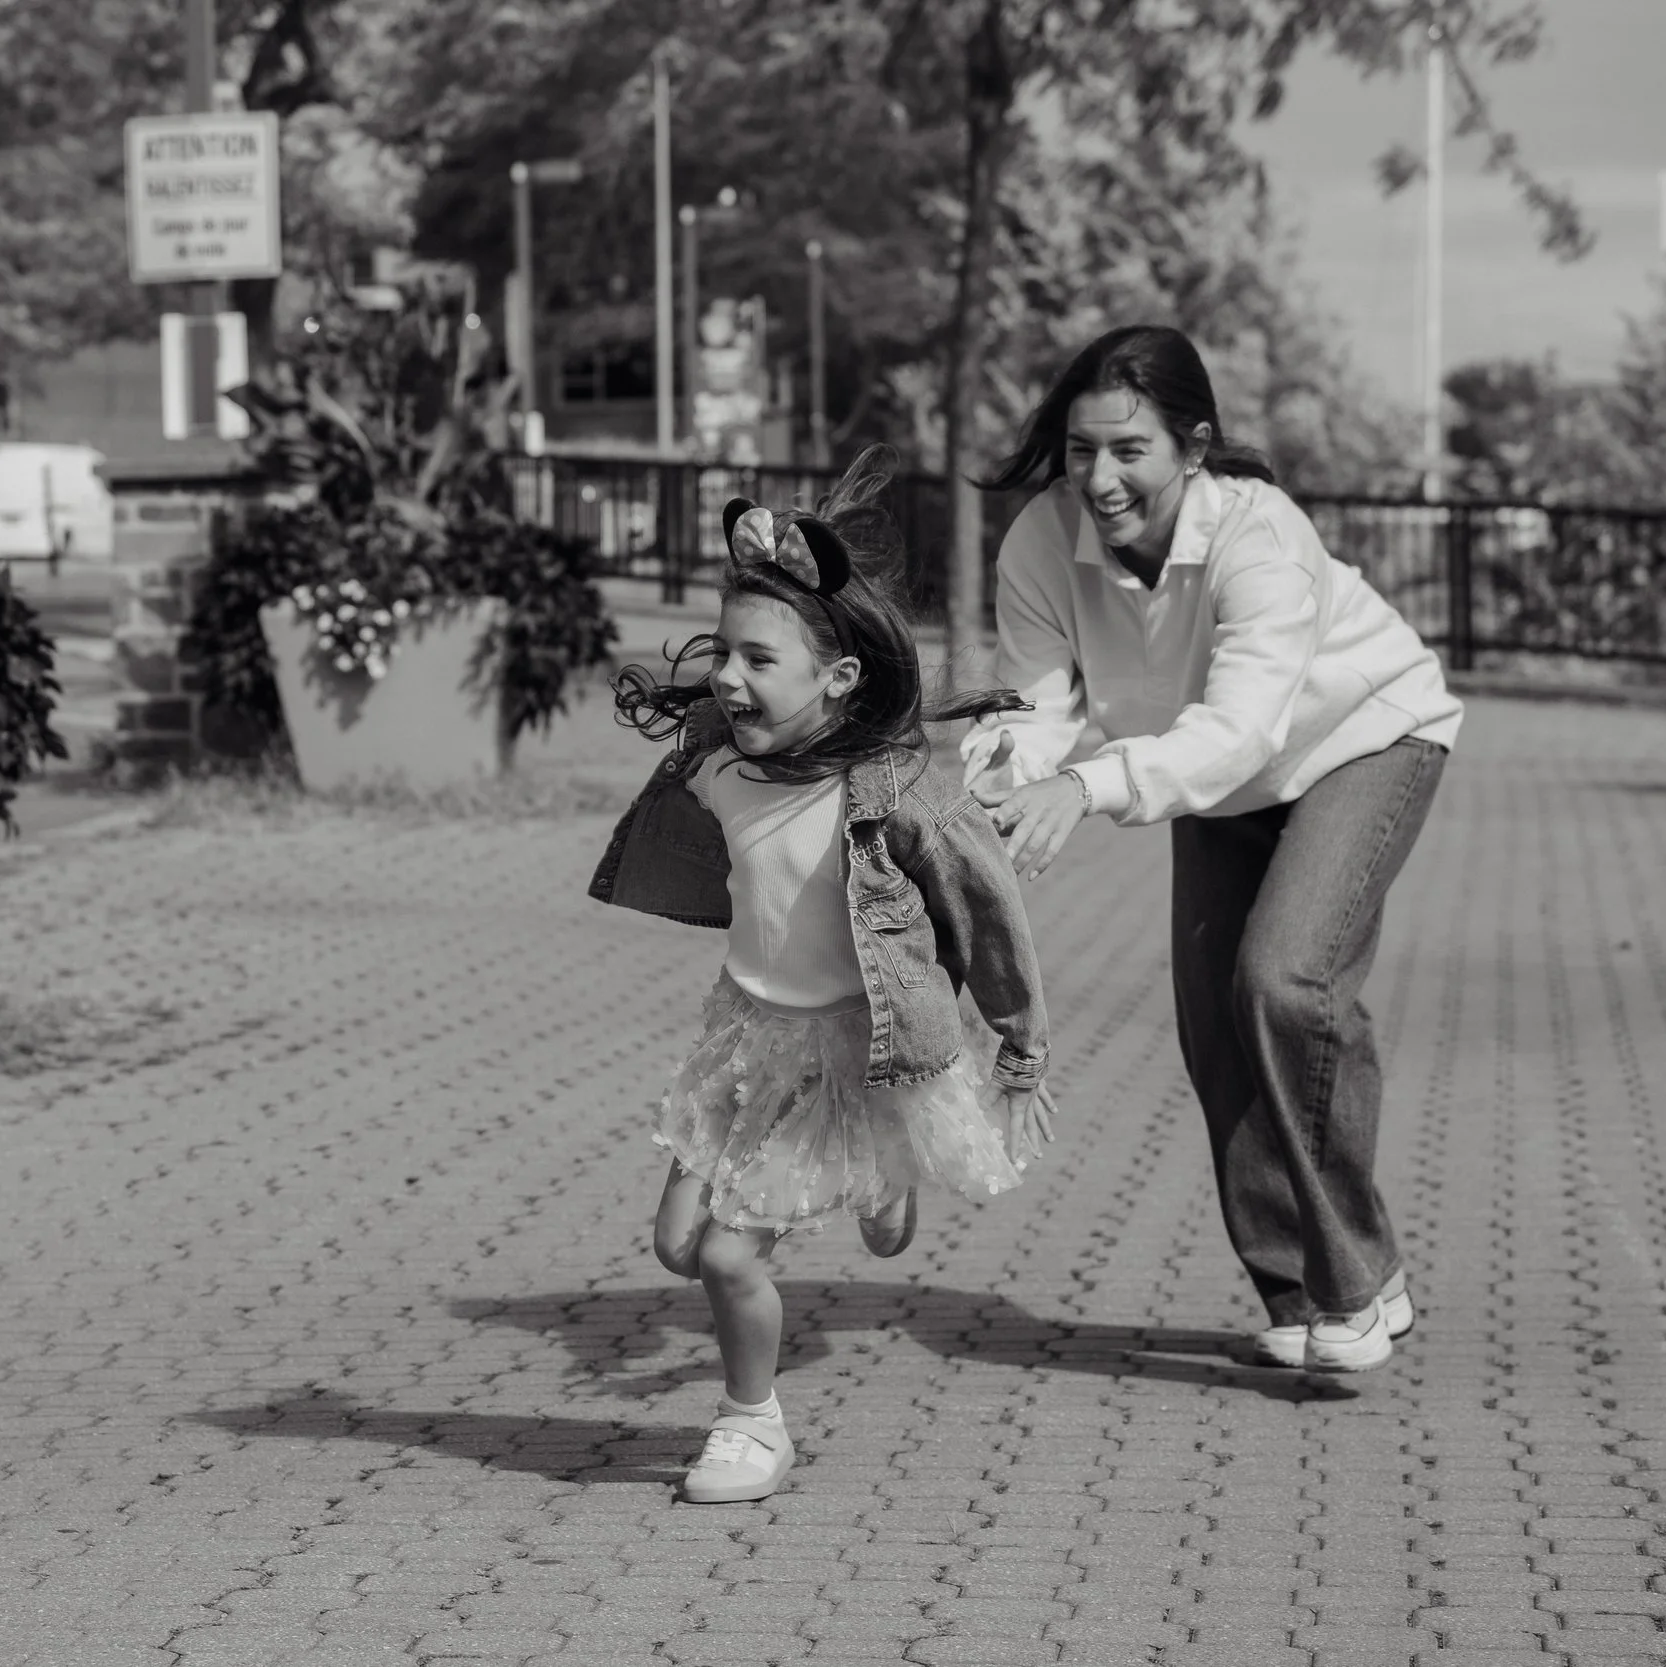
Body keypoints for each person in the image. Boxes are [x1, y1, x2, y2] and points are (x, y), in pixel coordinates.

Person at [963, 323, 1462, 1375]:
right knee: (1213, 1018)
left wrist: (1086, 785)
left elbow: (1243, 729)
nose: (1099, 477)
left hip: (1359, 740)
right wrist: (991, 789)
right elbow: (1034, 707)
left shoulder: (1258, 535)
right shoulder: (1041, 543)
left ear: (1193, 446)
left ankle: (1354, 1281)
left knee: (1282, 980)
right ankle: (1298, 1284)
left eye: (1128, 450)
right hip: (1208, 772)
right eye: (1081, 448)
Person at [589, 451, 1059, 1504]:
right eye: (723, 652)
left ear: (838, 679)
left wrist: (1020, 1043)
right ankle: (880, 1171)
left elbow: (989, 919)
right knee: (673, 1246)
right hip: (746, 1032)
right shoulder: (718, 763)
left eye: (759, 659)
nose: (727, 676)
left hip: (858, 1042)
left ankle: (751, 1425)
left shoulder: (893, 801)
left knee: (722, 1256)